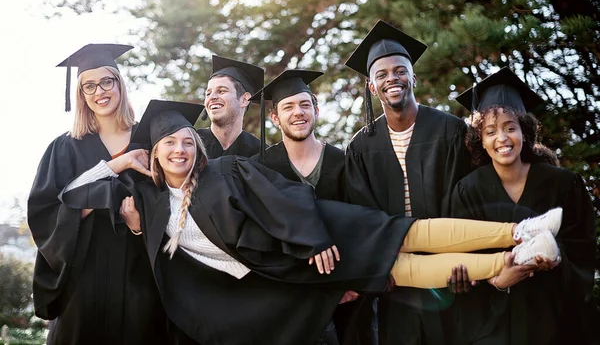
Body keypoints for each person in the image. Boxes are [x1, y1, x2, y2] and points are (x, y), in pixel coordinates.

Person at [61, 101, 563, 345]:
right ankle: (511, 258)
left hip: (316, 234)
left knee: (404, 233)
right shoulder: (146, 200)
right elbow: (72, 195)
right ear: (155, 151)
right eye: (170, 142)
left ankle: (521, 230)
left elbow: (286, 195)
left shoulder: (225, 171)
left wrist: (314, 238)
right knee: (396, 273)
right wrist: (122, 163)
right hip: (291, 271)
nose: (181, 148)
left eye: (187, 141)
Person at [27, 44, 167, 344]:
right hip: (82, 276)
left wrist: (141, 224)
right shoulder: (64, 147)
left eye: (107, 81)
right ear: (81, 95)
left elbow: (172, 199)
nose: (99, 91)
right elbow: (46, 212)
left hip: (138, 273)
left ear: (120, 84)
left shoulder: (152, 140)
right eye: (88, 86)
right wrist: (116, 168)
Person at [344, 20, 472, 344]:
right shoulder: (361, 147)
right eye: (382, 75)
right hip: (396, 275)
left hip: (447, 267)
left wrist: (463, 258)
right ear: (372, 87)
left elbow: (465, 199)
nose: (392, 79)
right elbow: (363, 213)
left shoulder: (450, 130)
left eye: (400, 71)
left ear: (413, 77)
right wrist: (381, 265)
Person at [450, 67, 597, 345]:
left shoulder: (563, 184)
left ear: (524, 132)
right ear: (480, 139)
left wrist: (556, 259)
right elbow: (462, 253)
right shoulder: (469, 190)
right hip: (496, 323)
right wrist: (497, 280)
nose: (502, 139)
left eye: (510, 128)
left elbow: (583, 247)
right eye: (490, 131)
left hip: (558, 317)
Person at [251, 69, 347, 344]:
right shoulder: (262, 168)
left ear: (316, 109)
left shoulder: (343, 162)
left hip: (341, 291)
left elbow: (360, 223)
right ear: (274, 117)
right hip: (286, 295)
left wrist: (352, 282)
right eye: (288, 107)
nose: (298, 112)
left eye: (305, 104)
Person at [197, 55, 264, 158]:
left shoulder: (260, 153)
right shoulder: (193, 145)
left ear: (244, 99)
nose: (212, 97)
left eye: (222, 91)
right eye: (208, 93)